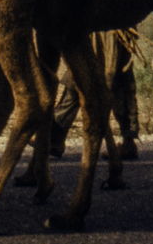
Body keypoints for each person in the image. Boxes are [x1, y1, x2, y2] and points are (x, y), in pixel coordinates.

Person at [49, 30, 140, 160]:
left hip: (110, 31)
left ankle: (128, 142)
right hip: (99, 32)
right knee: (79, 81)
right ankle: (54, 138)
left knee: (85, 78)